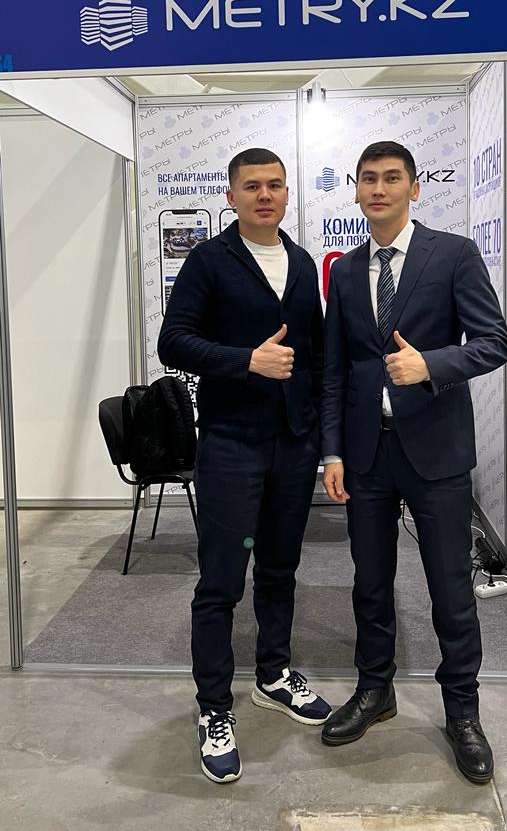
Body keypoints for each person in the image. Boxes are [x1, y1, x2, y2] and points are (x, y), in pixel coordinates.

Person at [320, 141, 507, 784]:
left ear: (414, 188)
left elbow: (494, 342)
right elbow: (335, 370)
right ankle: (375, 690)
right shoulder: (346, 271)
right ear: (356, 191)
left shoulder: (453, 254)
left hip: (436, 452)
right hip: (366, 454)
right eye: (368, 179)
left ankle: (463, 713)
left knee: (451, 590)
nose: (379, 189)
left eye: (392, 178)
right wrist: (332, 451)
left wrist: (431, 363)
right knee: (370, 584)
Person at [158, 148, 330, 784]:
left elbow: (313, 355)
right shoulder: (208, 260)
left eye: (275, 186)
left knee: (280, 569)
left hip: (293, 443)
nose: (265, 195)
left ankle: (273, 675)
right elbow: (173, 342)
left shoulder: (302, 261)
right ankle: (213, 707)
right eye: (252, 186)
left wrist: (322, 438)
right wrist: (245, 361)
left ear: (287, 194)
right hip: (232, 443)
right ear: (230, 197)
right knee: (221, 583)